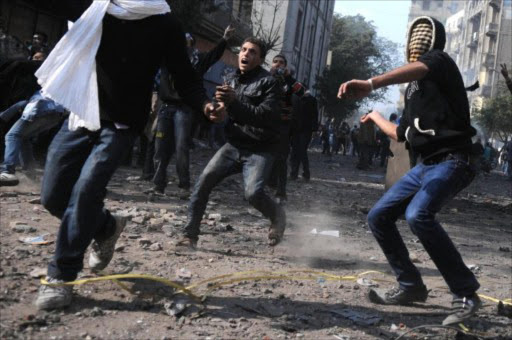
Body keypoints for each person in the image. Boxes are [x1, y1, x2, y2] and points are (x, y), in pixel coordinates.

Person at [33, 0, 218, 310]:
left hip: (121, 123)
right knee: (53, 195)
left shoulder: (164, 22)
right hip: (82, 112)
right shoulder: (97, 6)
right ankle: (106, 226)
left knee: (87, 189)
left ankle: (61, 276)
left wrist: (204, 105)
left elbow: (184, 76)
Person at [338, 16, 480, 325]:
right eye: (414, 35)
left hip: (454, 159)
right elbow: (401, 134)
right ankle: (411, 286)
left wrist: (371, 83)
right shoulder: (414, 91)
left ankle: (466, 294)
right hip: (425, 166)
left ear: (433, 41)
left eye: (423, 34)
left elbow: (421, 66)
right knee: (379, 216)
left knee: (418, 215)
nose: (417, 40)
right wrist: (374, 115)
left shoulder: (440, 63)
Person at [177, 37, 286, 249]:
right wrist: (212, 111)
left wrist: (234, 102)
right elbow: (221, 112)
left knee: (253, 193)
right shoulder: (231, 78)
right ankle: (189, 236)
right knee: (203, 182)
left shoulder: (270, 83)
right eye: (243, 50)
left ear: (261, 58)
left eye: (252, 52)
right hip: (234, 144)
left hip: (260, 148)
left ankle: (278, 216)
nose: (246, 54)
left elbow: (263, 116)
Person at [151, 25, 235, 194]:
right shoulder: (167, 59)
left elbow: (213, 55)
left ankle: (184, 185)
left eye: (188, 41)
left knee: (181, 146)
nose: (184, 45)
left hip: (184, 110)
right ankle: (158, 185)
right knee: (160, 147)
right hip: (166, 109)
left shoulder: (196, 62)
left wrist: (224, 39)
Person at [0, 91, 67, 186]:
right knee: (23, 138)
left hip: (40, 109)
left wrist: (3, 116)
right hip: (56, 115)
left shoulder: (28, 100)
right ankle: (30, 174)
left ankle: (7, 171)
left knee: (12, 136)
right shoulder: (50, 89)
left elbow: (12, 110)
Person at [267, 53, 305, 200]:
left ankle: (281, 190)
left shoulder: (289, 82)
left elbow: (302, 92)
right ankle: (267, 183)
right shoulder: (266, 78)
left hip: (283, 124)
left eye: (281, 62)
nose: (278, 64)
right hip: (266, 122)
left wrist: (289, 77)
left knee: (281, 157)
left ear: (285, 66)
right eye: (275, 62)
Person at [290, 90, 319, 180]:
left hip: (306, 129)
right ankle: (294, 173)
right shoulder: (294, 98)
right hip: (295, 129)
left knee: (302, 150)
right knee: (295, 151)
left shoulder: (311, 100)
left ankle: (306, 173)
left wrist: (314, 130)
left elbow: (315, 115)